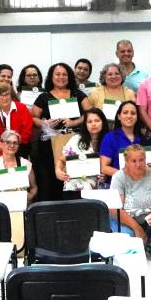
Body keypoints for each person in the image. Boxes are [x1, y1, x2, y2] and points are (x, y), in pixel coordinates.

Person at [32, 63, 91, 201]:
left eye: (64, 74)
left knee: (73, 177)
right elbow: (33, 117)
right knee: (50, 179)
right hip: (49, 145)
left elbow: (90, 113)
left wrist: (74, 122)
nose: (61, 77)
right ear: (51, 77)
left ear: (69, 76)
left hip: (75, 143)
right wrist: (45, 123)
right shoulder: (43, 97)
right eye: (57, 74)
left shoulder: (78, 94)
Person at [111, 145, 151, 261]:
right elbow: (115, 209)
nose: (138, 164)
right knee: (129, 236)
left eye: (141, 160)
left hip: (149, 217)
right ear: (126, 162)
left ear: (146, 159)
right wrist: (137, 228)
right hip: (127, 220)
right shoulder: (119, 177)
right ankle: (138, 241)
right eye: (133, 161)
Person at [56, 108, 110, 200]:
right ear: (85, 125)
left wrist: (105, 176)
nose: (93, 124)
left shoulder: (110, 140)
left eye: (97, 121)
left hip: (99, 189)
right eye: (89, 122)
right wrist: (58, 171)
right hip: (74, 187)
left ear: (103, 122)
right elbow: (61, 160)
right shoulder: (76, 140)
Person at [0, 83, 34, 161]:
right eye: (1, 95)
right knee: (1, 173)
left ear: (12, 96)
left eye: (7, 94)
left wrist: (13, 144)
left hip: (19, 151)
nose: (4, 98)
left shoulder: (22, 108)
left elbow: (28, 132)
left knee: (19, 172)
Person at [0, 130, 37, 204]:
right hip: (1, 209)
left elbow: (34, 188)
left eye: (15, 143)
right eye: (8, 142)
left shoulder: (25, 164)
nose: (12, 145)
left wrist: (29, 197)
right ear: (1, 144)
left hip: (21, 207)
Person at [100, 101, 149, 178]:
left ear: (137, 117)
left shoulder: (142, 139)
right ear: (119, 116)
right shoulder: (110, 137)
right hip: (119, 183)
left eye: (133, 113)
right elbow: (104, 168)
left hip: (140, 183)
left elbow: (146, 165)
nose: (129, 116)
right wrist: (127, 175)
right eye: (125, 112)